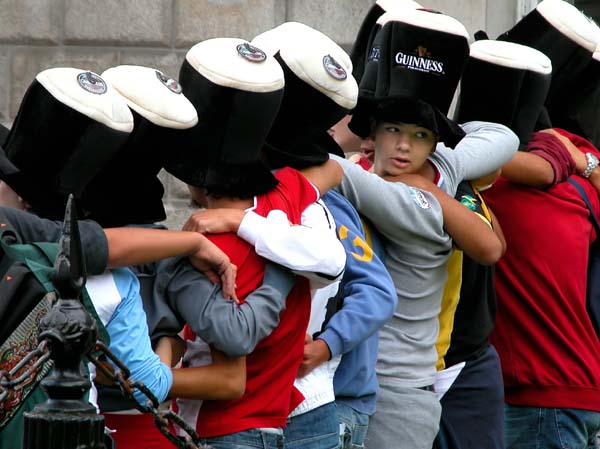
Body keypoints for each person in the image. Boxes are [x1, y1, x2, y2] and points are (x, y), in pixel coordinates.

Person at [330, 9, 519, 449]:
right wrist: (439, 161)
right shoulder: (441, 169)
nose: (403, 145)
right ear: (374, 134)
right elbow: (498, 137)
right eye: (394, 130)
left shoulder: (413, 197)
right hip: (354, 380)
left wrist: (430, 186)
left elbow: (321, 166)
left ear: (434, 143)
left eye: (419, 136)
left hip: (397, 393)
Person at [432, 38, 553, 449]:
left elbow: (492, 244)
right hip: (427, 360)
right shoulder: (446, 174)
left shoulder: (467, 179)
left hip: (468, 358)